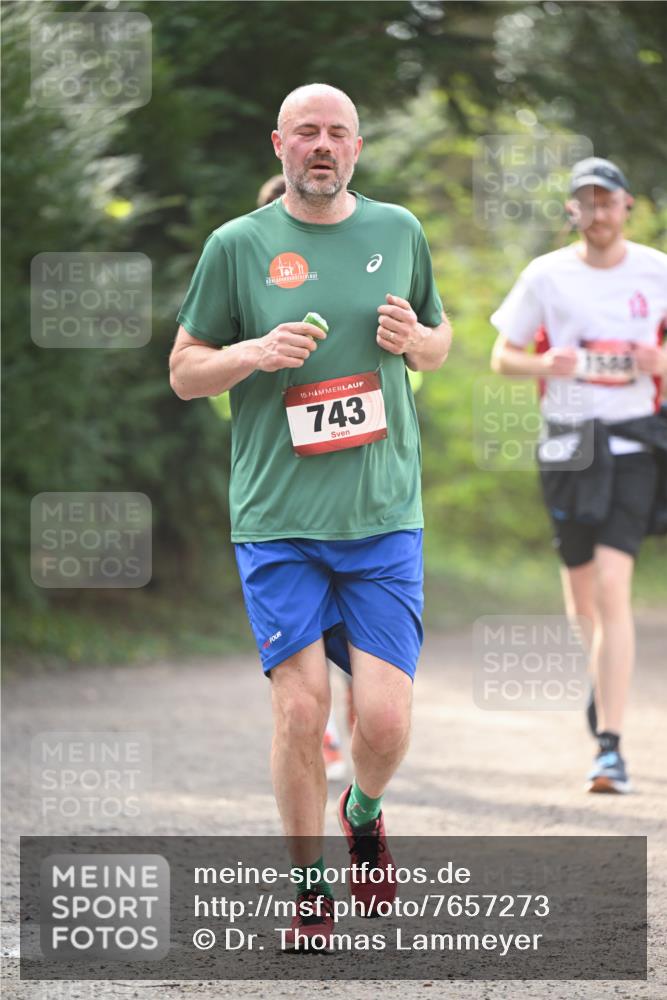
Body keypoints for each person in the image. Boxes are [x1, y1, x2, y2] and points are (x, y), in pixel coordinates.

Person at [170, 83, 452, 948]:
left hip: (379, 516)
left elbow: (440, 344)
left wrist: (415, 343)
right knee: (297, 713)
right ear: (279, 145)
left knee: (386, 721)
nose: (321, 146)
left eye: (336, 133)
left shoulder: (398, 231)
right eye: (305, 134)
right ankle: (307, 890)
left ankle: (361, 813)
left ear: (357, 147)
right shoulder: (236, 246)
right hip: (278, 520)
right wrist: (252, 353)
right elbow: (185, 371)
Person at [490, 157, 667, 794]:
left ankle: (611, 747)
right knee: (584, 598)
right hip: (569, 446)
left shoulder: (658, 270)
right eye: (585, 202)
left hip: (635, 444)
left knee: (615, 586)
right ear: (573, 210)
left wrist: (659, 357)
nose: (597, 213)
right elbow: (503, 355)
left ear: (627, 206)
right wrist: (548, 366)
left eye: (607, 201)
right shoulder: (546, 275)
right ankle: (602, 682)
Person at [256, 172, 353, 783]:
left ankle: (347, 738)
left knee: (362, 664)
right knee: (301, 674)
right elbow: (212, 394)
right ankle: (322, 737)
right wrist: (265, 362)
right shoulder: (251, 306)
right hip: (285, 503)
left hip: (359, 500)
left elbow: (410, 381)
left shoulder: (349, 292)